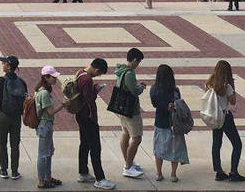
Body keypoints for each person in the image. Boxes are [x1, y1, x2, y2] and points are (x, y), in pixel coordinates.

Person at [75, 57, 115, 189]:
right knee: (95, 147)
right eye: (99, 73)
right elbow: (89, 98)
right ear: (97, 69)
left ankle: (83, 172)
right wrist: (96, 90)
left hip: (80, 115)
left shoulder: (80, 72)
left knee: (84, 144)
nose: (98, 75)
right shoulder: (87, 79)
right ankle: (100, 178)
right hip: (88, 118)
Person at [206, 60, 245, 182]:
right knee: (237, 144)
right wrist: (232, 88)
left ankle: (218, 171)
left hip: (215, 116)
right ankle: (234, 171)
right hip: (225, 116)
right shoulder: (226, 86)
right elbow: (232, 101)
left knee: (216, 144)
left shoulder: (209, 83)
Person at [151, 63, 189, 182]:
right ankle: (173, 174)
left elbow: (154, 104)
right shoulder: (175, 90)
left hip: (160, 122)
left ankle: (159, 173)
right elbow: (180, 104)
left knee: (159, 148)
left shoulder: (154, 89)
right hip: (174, 123)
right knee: (175, 148)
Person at [0, 55, 27, 180]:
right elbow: (24, 100)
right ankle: (15, 171)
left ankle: (3, 169)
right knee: (15, 144)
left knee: (2, 143)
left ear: (8, 66)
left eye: (4, 63)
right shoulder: (22, 82)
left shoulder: (0, 81)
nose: (2, 65)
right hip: (16, 117)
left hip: (3, 115)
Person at [35, 66, 67, 189]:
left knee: (48, 152)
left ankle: (47, 177)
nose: (55, 79)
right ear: (46, 77)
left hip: (45, 125)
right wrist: (63, 105)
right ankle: (42, 181)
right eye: (53, 77)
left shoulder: (40, 90)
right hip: (45, 125)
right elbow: (51, 111)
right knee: (43, 154)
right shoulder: (43, 93)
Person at [116, 48, 147, 178]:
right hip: (131, 110)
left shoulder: (121, 71)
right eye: (138, 62)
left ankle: (128, 162)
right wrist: (141, 87)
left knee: (126, 133)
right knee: (137, 138)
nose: (138, 65)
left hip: (121, 108)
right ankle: (128, 166)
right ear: (134, 60)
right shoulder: (129, 73)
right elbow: (134, 91)